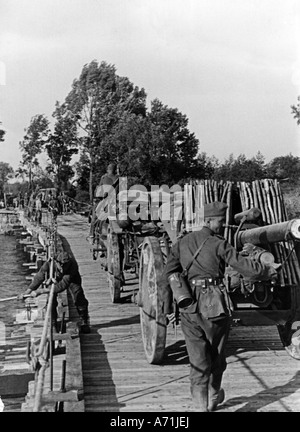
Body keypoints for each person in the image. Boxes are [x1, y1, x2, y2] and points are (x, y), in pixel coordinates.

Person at [159, 201, 280, 412]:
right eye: (220, 221)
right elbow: (245, 267)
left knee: (197, 359)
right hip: (215, 305)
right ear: (208, 220)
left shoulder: (182, 243)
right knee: (216, 355)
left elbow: (167, 275)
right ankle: (212, 398)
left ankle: (200, 406)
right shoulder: (219, 244)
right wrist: (267, 271)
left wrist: (168, 307)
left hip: (188, 305)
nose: (223, 225)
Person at [18, 250, 91, 334]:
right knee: (51, 299)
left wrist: (40, 291)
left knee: (79, 296)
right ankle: (53, 322)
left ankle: (84, 321)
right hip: (55, 277)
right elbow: (38, 278)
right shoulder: (49, 264)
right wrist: (26, 293)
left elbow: (62, 286)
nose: (64, 267)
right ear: (57, 262)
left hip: (71, 280)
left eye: (66, 265)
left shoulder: (73, 265)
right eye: (62, 265)